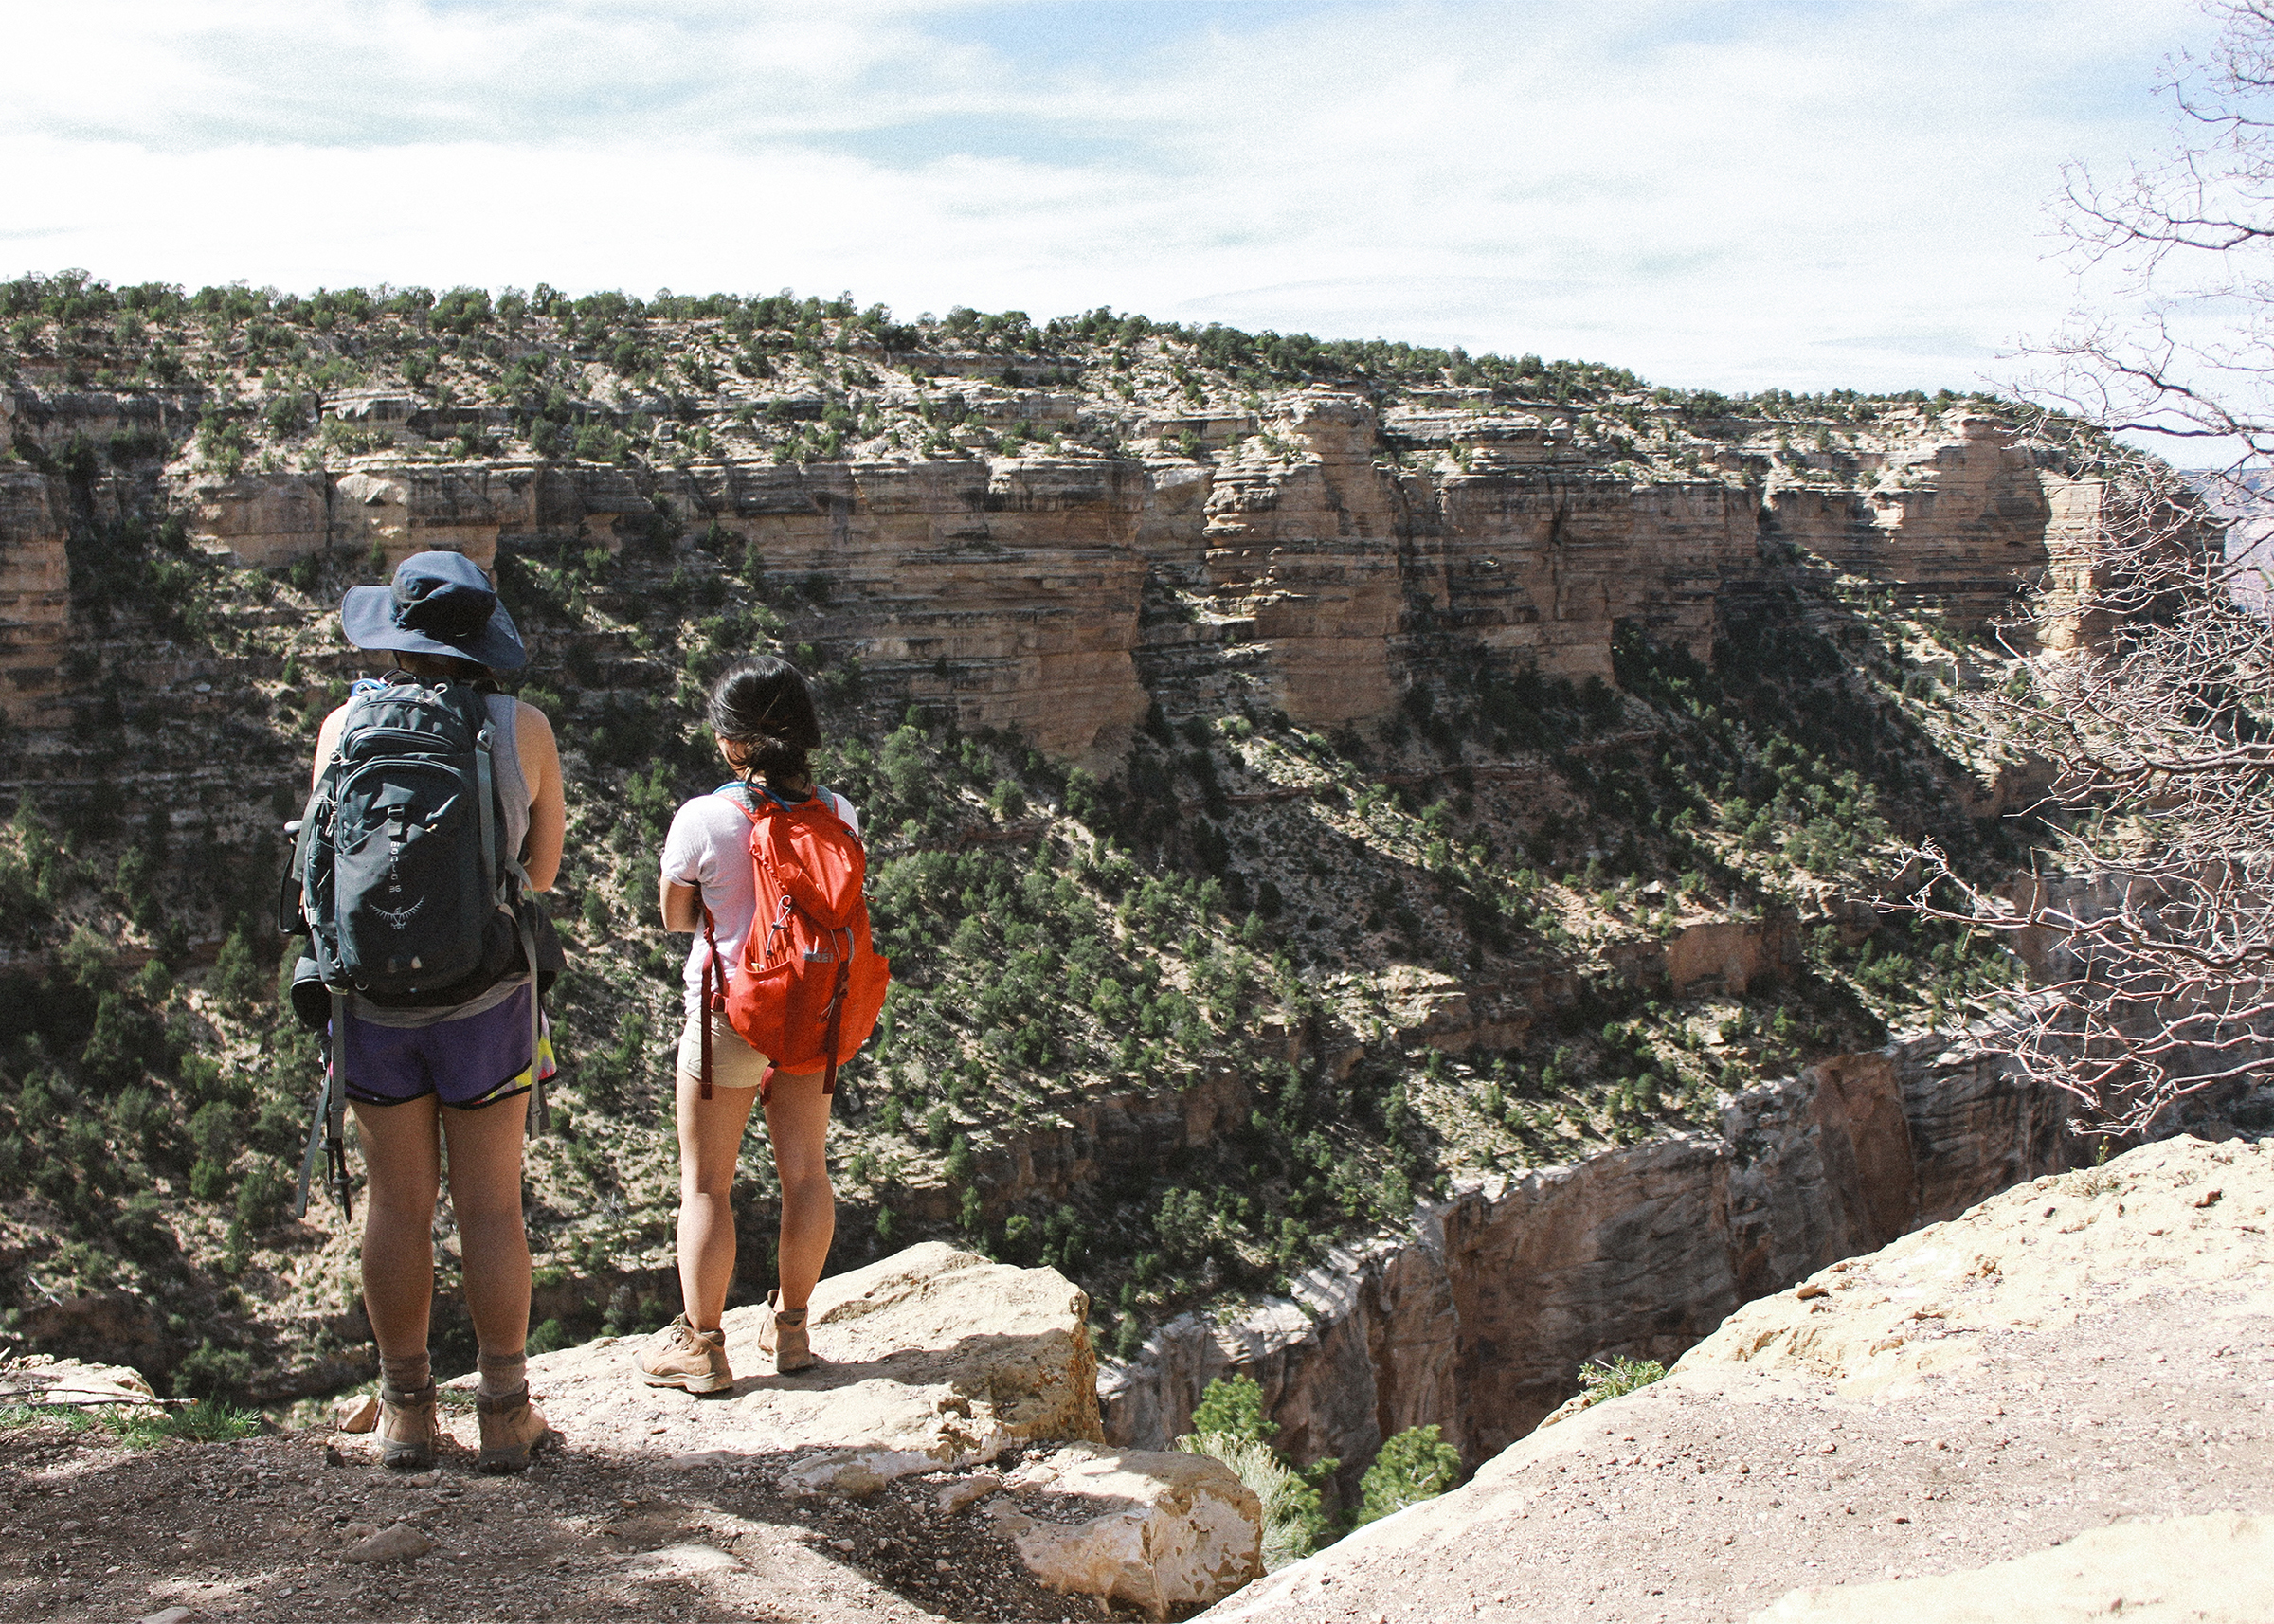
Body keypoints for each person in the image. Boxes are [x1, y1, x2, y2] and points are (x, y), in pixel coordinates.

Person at [317, 550, 566, 1471]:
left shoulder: (342, 723)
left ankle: (406, 1415)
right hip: (484, 999)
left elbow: (318, 872)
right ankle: (505, 1413)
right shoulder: (520, 727)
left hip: (374, 1003)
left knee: (397, 1203)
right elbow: (538, 875)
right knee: (493, 1206)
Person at [637, 656, 855, 1389]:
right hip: (809, 1013)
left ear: (734, 743)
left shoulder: (703, 816)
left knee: (706, 1185)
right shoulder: (840, 813)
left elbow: (675, 918)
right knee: (806, 1174)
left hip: (729, 1010)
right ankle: (791, 1334)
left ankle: (703, 1348)